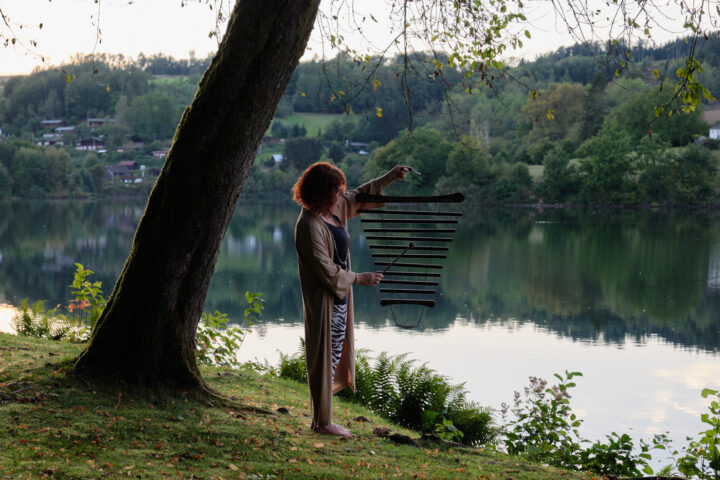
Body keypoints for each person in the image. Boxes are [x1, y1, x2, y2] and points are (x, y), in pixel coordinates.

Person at [293, 162, 410, 438]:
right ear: (322, 192)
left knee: (333, 355)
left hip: (340, 298)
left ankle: (323, 418)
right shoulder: (309, 225)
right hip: (325, 301)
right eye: (335, 189)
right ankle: (322, 422)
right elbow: (327, 271)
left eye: (340, 188)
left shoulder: (332, 209)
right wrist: (359, 278)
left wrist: (389, 177)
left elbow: (359, 196)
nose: (340, 193)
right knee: (322, 357)